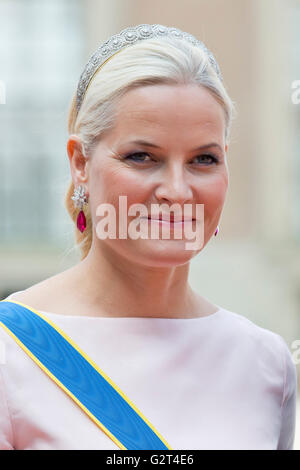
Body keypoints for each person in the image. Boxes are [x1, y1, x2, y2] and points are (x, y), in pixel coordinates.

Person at [0, 24, 297, 450]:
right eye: (143, 157)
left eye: (203, 159)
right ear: (80, 162)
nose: (177, 190)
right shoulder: (9, 353)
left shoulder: (267, 364)